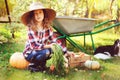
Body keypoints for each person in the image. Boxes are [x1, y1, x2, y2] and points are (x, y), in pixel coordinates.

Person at [21, 2, 71, 72]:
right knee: (47, 51)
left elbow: (55, 42)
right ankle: (33, 66)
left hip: (42, 51)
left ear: (44, 14)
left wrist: (65, 51)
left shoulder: (47, 27)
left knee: (52, 50)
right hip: (30, 53)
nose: (38, 15)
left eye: (40, 12)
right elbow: (34, 46)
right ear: (33, 16)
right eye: (36, 13)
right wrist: (49, 46)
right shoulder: (31, 28)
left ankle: (41, 65)